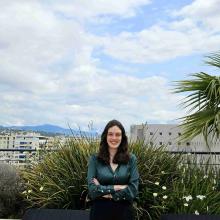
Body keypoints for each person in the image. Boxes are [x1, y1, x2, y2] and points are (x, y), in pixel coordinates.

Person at [87, 119, 139, 220]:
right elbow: (92, 191)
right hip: (99, 213)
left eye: (118, 134)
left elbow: (133, 189)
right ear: (105, 136)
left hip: (124, 213)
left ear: (122, 137)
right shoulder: (95, 159)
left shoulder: (131, 159)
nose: (114, 138)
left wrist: (106, 193)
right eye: (110, 134)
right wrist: (117, 187)